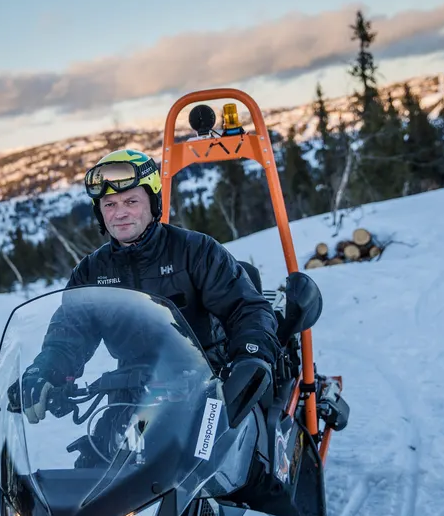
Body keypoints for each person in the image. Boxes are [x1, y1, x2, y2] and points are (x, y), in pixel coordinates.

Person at [17, 148, 282, 426]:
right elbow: (68, 335)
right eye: (109, 205)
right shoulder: (91, 272)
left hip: (209, 386)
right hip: (131, 397)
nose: (119, 213)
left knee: (236, 459)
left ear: (153, 202)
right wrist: (45, 372)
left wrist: (250, 357)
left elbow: (245, 308)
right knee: (97, 461)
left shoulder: (195, 251)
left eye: (131, 201)